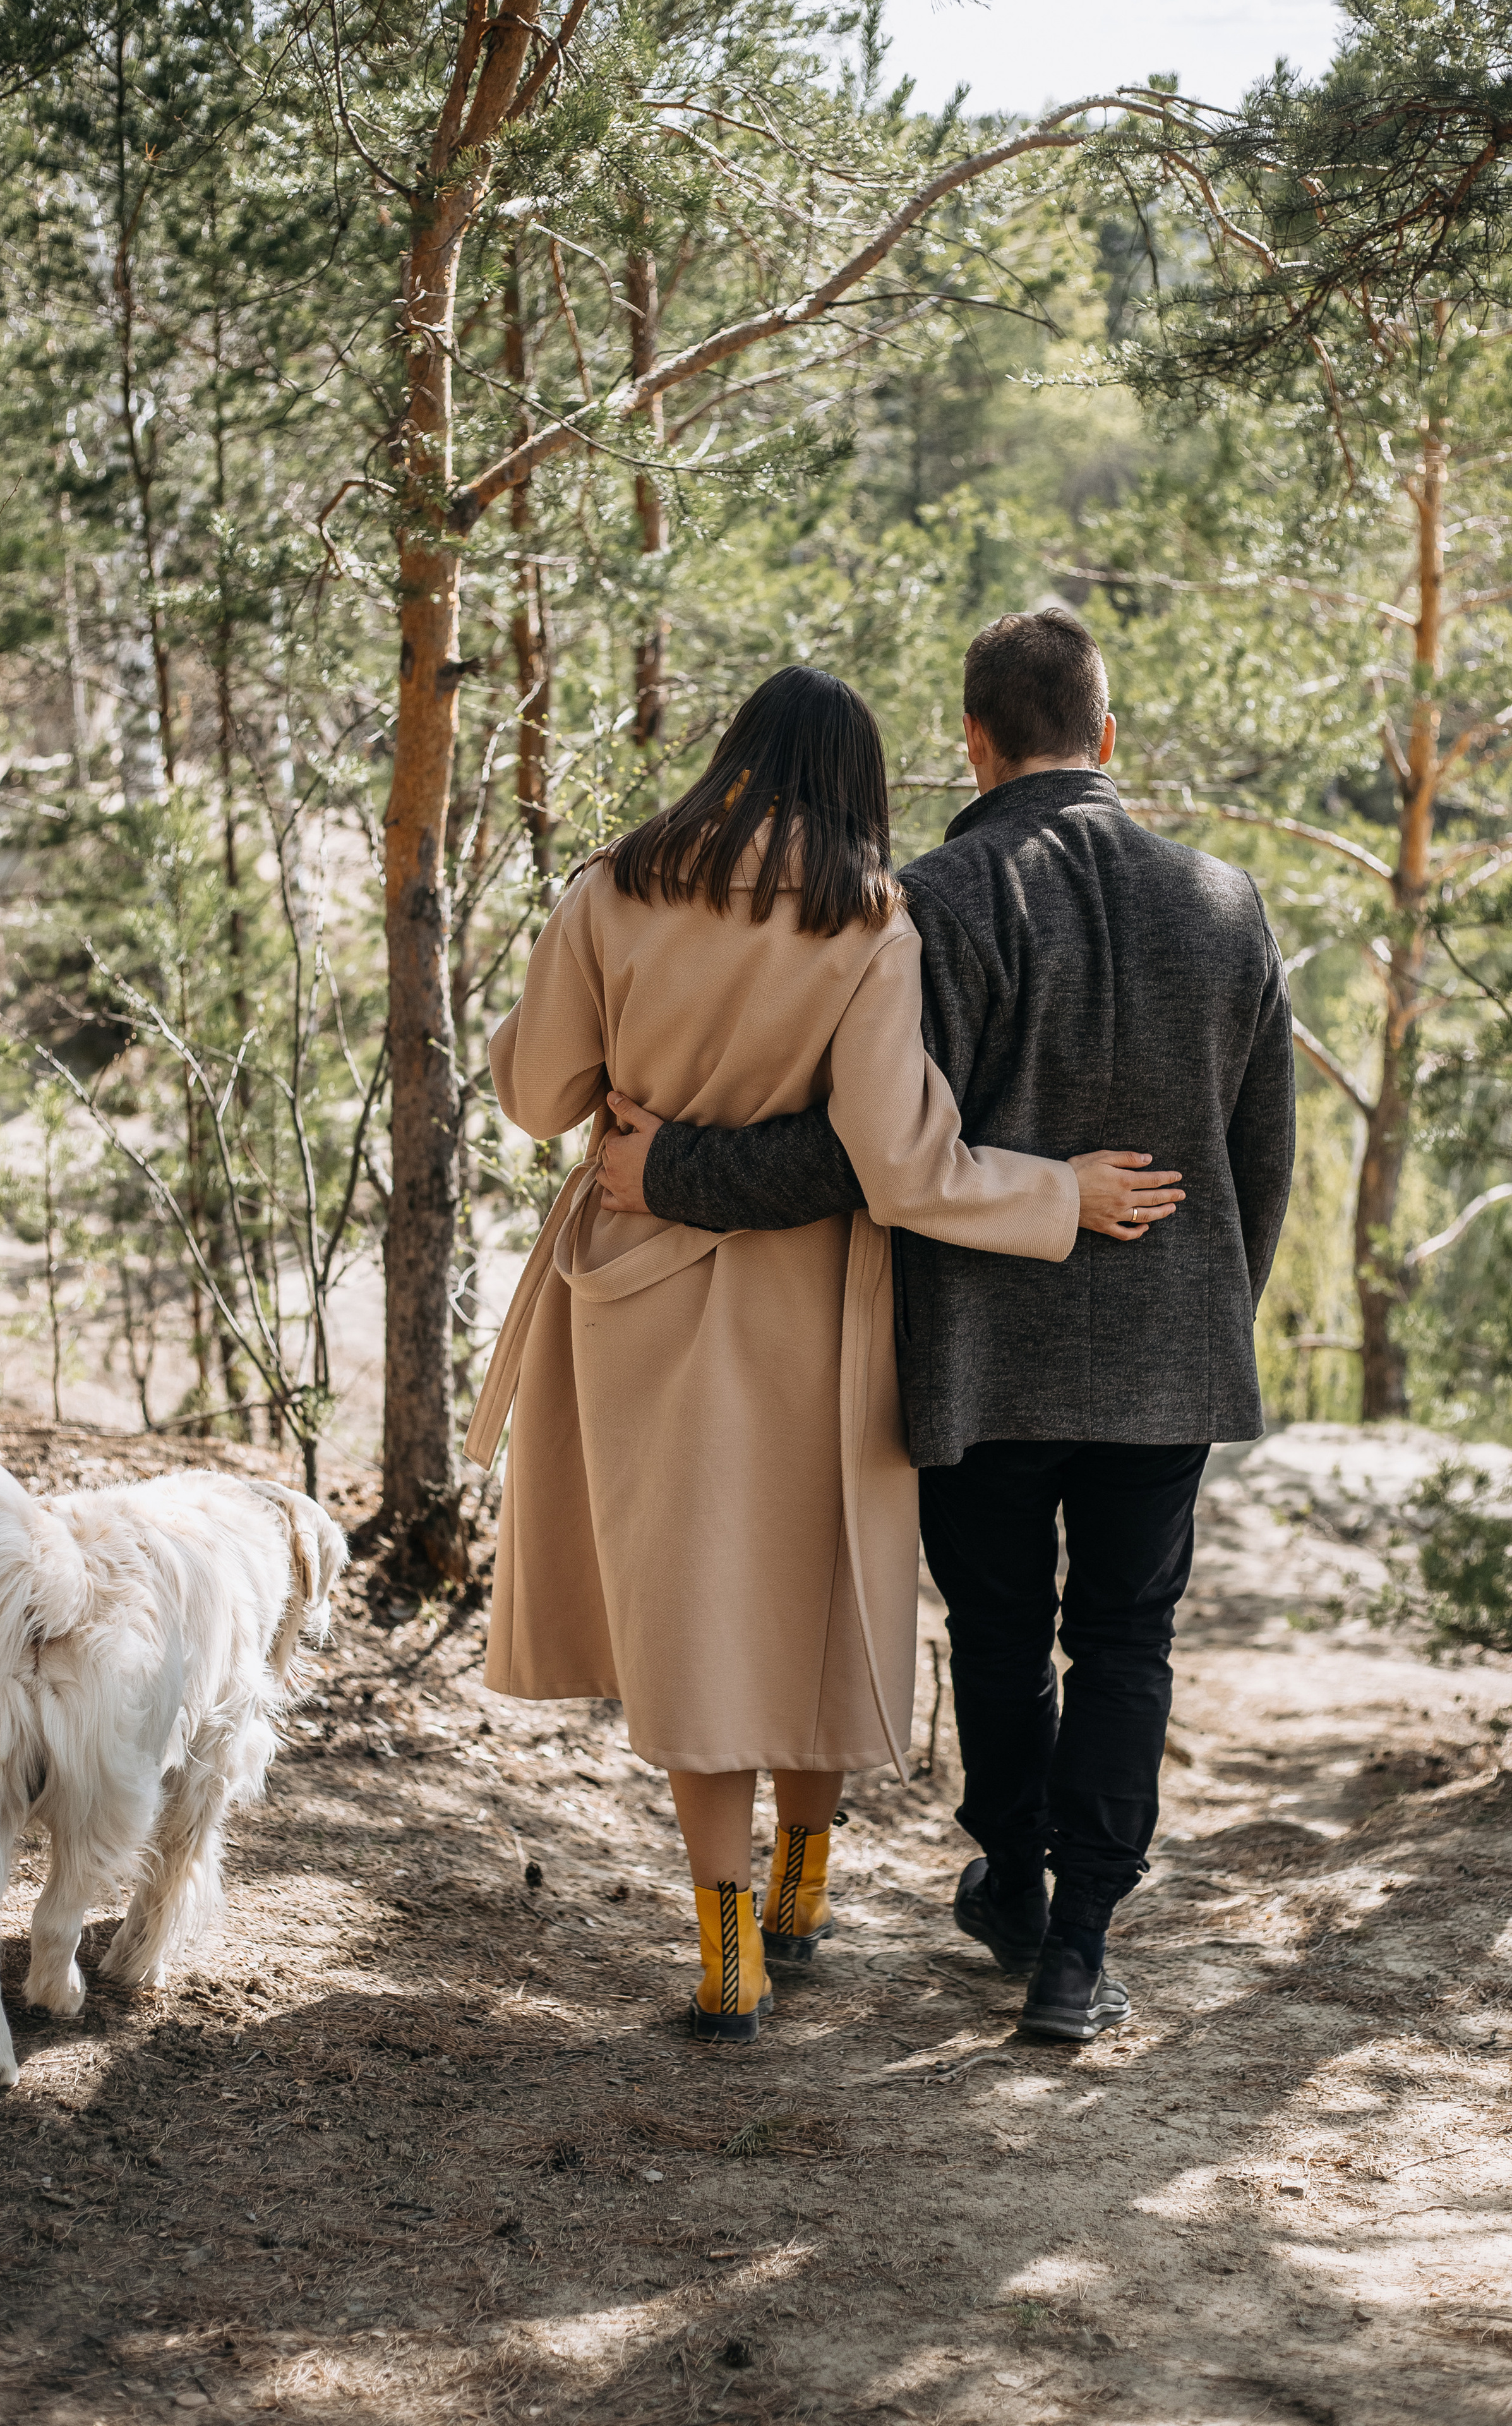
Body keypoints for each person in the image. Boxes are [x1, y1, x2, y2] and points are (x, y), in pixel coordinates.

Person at [599, 612, 1296, 2044]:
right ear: (1106, 736)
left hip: (981, 1356)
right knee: (1124, 1644)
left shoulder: (934, 900)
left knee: (996, 1626)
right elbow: (1262, 1156)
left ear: (970, 746)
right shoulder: (1226, 903)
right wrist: (1212, 1312)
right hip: (1168, 1355)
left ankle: (1019, 1888)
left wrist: (668, 1171)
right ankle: (1075, 1952)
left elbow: (856, 1153)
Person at [466, 664, 1182, 2042]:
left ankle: (726, 1952)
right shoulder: (869, 920)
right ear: (855, 784)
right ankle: (801, 1892)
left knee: (693, 1615)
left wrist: (601, 1055)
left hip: (638, 1291)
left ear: (730, 758)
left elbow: (532, 1093)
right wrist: (1060, 1197)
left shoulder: (610, 888)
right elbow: (902, 1168)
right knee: (805, 1599)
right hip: (819, 1307)